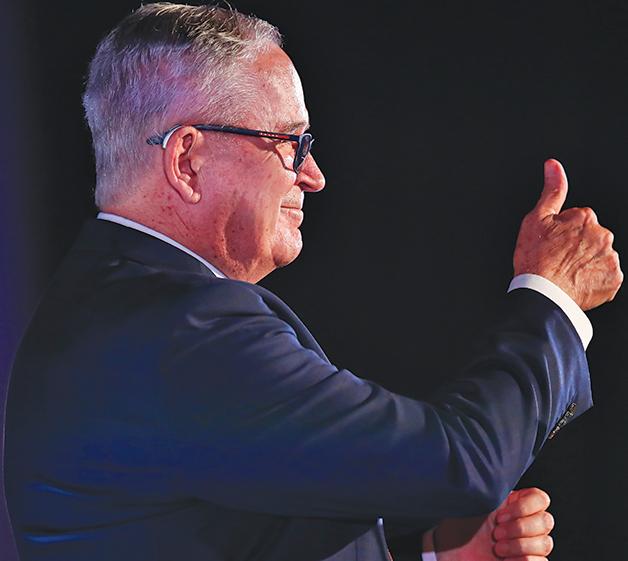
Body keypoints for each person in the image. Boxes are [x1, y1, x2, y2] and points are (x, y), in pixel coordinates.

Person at [3, 3, 622, 561]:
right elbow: (463, 463)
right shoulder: (179, 329)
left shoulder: (114, 308)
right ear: (188, 160)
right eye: (290, 143)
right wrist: (552, 295)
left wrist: (434, 554)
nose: (314, 175)